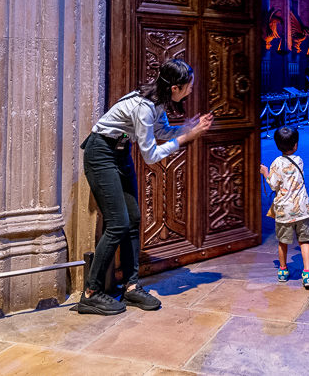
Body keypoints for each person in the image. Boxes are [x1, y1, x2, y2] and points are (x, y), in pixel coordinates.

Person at [77, 59, 213, 315]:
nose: (191, 90)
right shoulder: (144, 106)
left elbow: (161, 130)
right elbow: (150, 155)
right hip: (101, 153)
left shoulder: (157, 102)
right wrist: (186, 138)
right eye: (189, 86)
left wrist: (188, 127)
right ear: (175, 88)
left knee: (133, 219)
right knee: (118, 223)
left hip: (119, 152)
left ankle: (130, 287)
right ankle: (91, 293)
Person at [260, 126, 309, 290]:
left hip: (285, 211)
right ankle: (307, 273)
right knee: (304, 241)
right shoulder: (299, 160)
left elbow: (273, 185)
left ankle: (283, 270)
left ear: (277, 145)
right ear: (296, 145)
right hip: (302, 209)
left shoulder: (276, 163)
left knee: (283, 242)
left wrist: (265, 172)